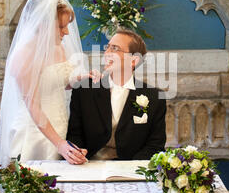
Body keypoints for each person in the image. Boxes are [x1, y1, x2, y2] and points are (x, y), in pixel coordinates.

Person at [0, 0, 94, 171]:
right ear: (42, 24)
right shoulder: (24, 55)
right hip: (34, 131)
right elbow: (32, 104)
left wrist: (79, 79)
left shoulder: (59, 47)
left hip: (61, 123)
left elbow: (58, 83)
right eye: (61, 27)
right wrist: (60, 144)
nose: (66, 32)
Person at [67, 27, 166, 161]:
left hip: (131, 168)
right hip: (89, 165)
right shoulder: (85, 90)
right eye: (107, 47)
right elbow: (74, 135)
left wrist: (129, 169)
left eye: (114, 48)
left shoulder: (154, 97)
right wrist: (78, 156)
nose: (107, 53)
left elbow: (155, 145)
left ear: (133, 60)